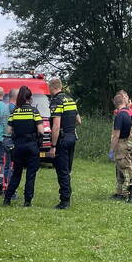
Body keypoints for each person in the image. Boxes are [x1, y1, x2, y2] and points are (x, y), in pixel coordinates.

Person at [3, 86, 44, 207]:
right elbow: (41, 130)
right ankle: (27, 201)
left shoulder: (15, 111)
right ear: (29, 97)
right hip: (31, 146)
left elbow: (8, 130)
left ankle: (7, 198)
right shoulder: (34, 111)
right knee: (30, 175)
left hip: (18, 146)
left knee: (16, 173)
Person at [48, 77, 81, 210]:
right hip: (72, 137)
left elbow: (56, 126)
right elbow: (79, 120)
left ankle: (64, 201)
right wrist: (69, 127)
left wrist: (53, 146)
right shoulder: (70, 100)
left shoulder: (56, 101)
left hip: (62, 139)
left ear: (52, 87)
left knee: (62, 171)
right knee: (67, 169)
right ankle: (67, 197)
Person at [108, 93, 132, 199]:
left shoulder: (119, 116)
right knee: (120, 169)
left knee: (125, 170)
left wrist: (111, 150)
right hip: (129, 143)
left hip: (121, 144)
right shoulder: (130, 113)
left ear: (115, 103)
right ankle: (119, 192)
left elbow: (116, 135)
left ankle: (125, 193)